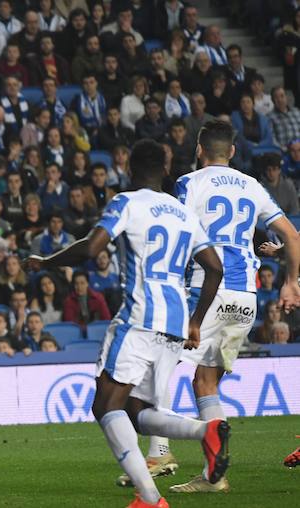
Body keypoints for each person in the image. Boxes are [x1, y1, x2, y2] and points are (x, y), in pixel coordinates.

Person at [26, 138, 228, 508]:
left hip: (139, 317)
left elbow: (91, 248)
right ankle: (207, 429)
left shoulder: (126, 202)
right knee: (137, 411)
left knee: (105, 406)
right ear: (166, 170)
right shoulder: (184, 213)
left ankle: (150, 499)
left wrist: (46, 262)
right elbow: (215, 268)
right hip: (176, 321)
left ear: (129, 170)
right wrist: (197, 321)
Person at [153, 120, 300, 493]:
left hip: (206, 289)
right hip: (245, 298)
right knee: (205, 380)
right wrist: (290, 282)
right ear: (232, 152)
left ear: (200, 149)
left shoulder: (189, 183)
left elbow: (175, 229)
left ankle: (160, 452)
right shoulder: (253, 186)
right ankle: (212, 476)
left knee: (157, 362)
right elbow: (291, 236)